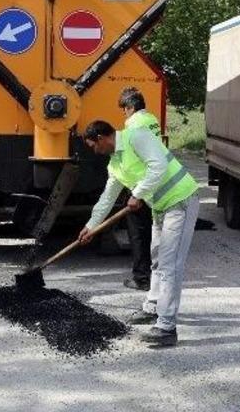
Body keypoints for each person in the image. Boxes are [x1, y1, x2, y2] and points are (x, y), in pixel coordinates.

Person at [80, 120, 200, 347]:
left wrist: (137, 194)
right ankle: (153, 307)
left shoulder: (136, 136)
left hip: (181, 201)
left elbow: (158, 166)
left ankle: (167, 326)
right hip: (161, 208)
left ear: (101, 138)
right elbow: (107, 198)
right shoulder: (115, 164)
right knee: (157, 261)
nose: (95, 151)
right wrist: (91, 226)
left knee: (169, 265)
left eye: (94, 146)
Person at [119, 87, 160, 292]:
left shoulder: (133, 124)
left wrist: (135, 192)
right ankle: (152, 277)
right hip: (154, 185)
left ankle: (141, 278)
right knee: (151, 233)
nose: (124, 114)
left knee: (138, 235)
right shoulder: (152, 120)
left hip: (140, 184)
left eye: (124, 109)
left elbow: (132, 156)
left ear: (131, 107)